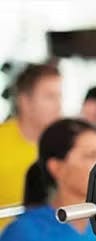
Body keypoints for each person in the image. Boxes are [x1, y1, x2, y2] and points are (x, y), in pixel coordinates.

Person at [0, 64, 62, 230]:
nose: (58, 105)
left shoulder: (64, 147)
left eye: (59, 96)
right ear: (25, 101)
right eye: (50, 97)